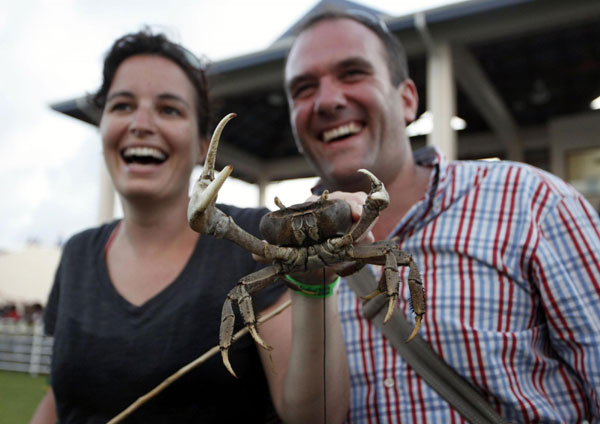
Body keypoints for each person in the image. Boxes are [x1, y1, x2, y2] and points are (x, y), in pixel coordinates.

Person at [283, 10, 600, 423]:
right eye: (304, 89)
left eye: (353, 73)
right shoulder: (286, 256)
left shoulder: (531, 201)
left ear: (407, 99)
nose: (327, 101)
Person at [30, 28, 351, 423]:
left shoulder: (254, 237)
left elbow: (315, 416)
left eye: (169, 109)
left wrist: (315, 286)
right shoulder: (77, 253)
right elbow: (61, 399)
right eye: (122, 106)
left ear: (204, 144)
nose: (141, 124)